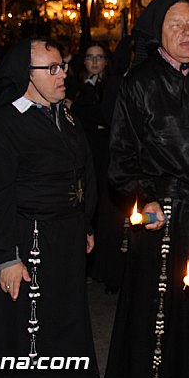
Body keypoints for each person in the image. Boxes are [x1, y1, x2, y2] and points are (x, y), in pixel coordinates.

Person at [104, 0, 189, 378]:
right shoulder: (139, 82)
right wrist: (145, 195)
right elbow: (120, 156)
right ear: (158, 33)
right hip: (161, 216)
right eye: (176, 24)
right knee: (156, 313)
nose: (187, 32)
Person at [0, 37, 98, 378]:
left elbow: (84, 173)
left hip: (66, 241)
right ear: (27, 75)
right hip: (27, 240)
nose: (62, 74)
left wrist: (84, 224)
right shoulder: (3, 125)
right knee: (25, 333)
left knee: (62, 322)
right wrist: (6, 255)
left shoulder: (66, 117)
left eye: (63, 66)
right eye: (51, 68)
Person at [71, 42, 123, 293]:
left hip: (106, 153)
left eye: (99, 57)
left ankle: (105, 265)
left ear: (106, 61)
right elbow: (76, 114)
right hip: (83, 149)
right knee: (83, 203)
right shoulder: (74, 84)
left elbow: (105, 116)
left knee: (105, 208)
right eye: (90, 57)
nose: (94, 62)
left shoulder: (112, 86)